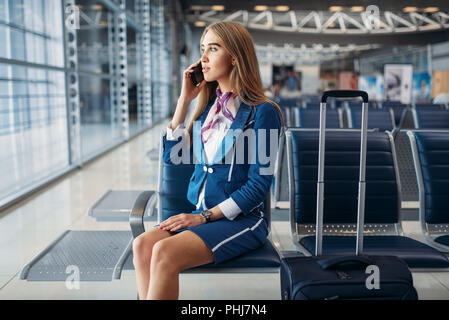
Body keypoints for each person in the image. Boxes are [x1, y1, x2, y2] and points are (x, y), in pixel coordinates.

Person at [132, 21, 284, 300]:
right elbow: (173, 159)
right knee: (143, 245)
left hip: (243, 220)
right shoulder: (207, 113)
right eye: (202, 49)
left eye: (212, 49)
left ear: (235, 57)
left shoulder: (264, 112)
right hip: (205, 216)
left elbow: (259, 185)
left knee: (164, 252)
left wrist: (203, 217)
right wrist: (184, 101)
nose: (203, 58)